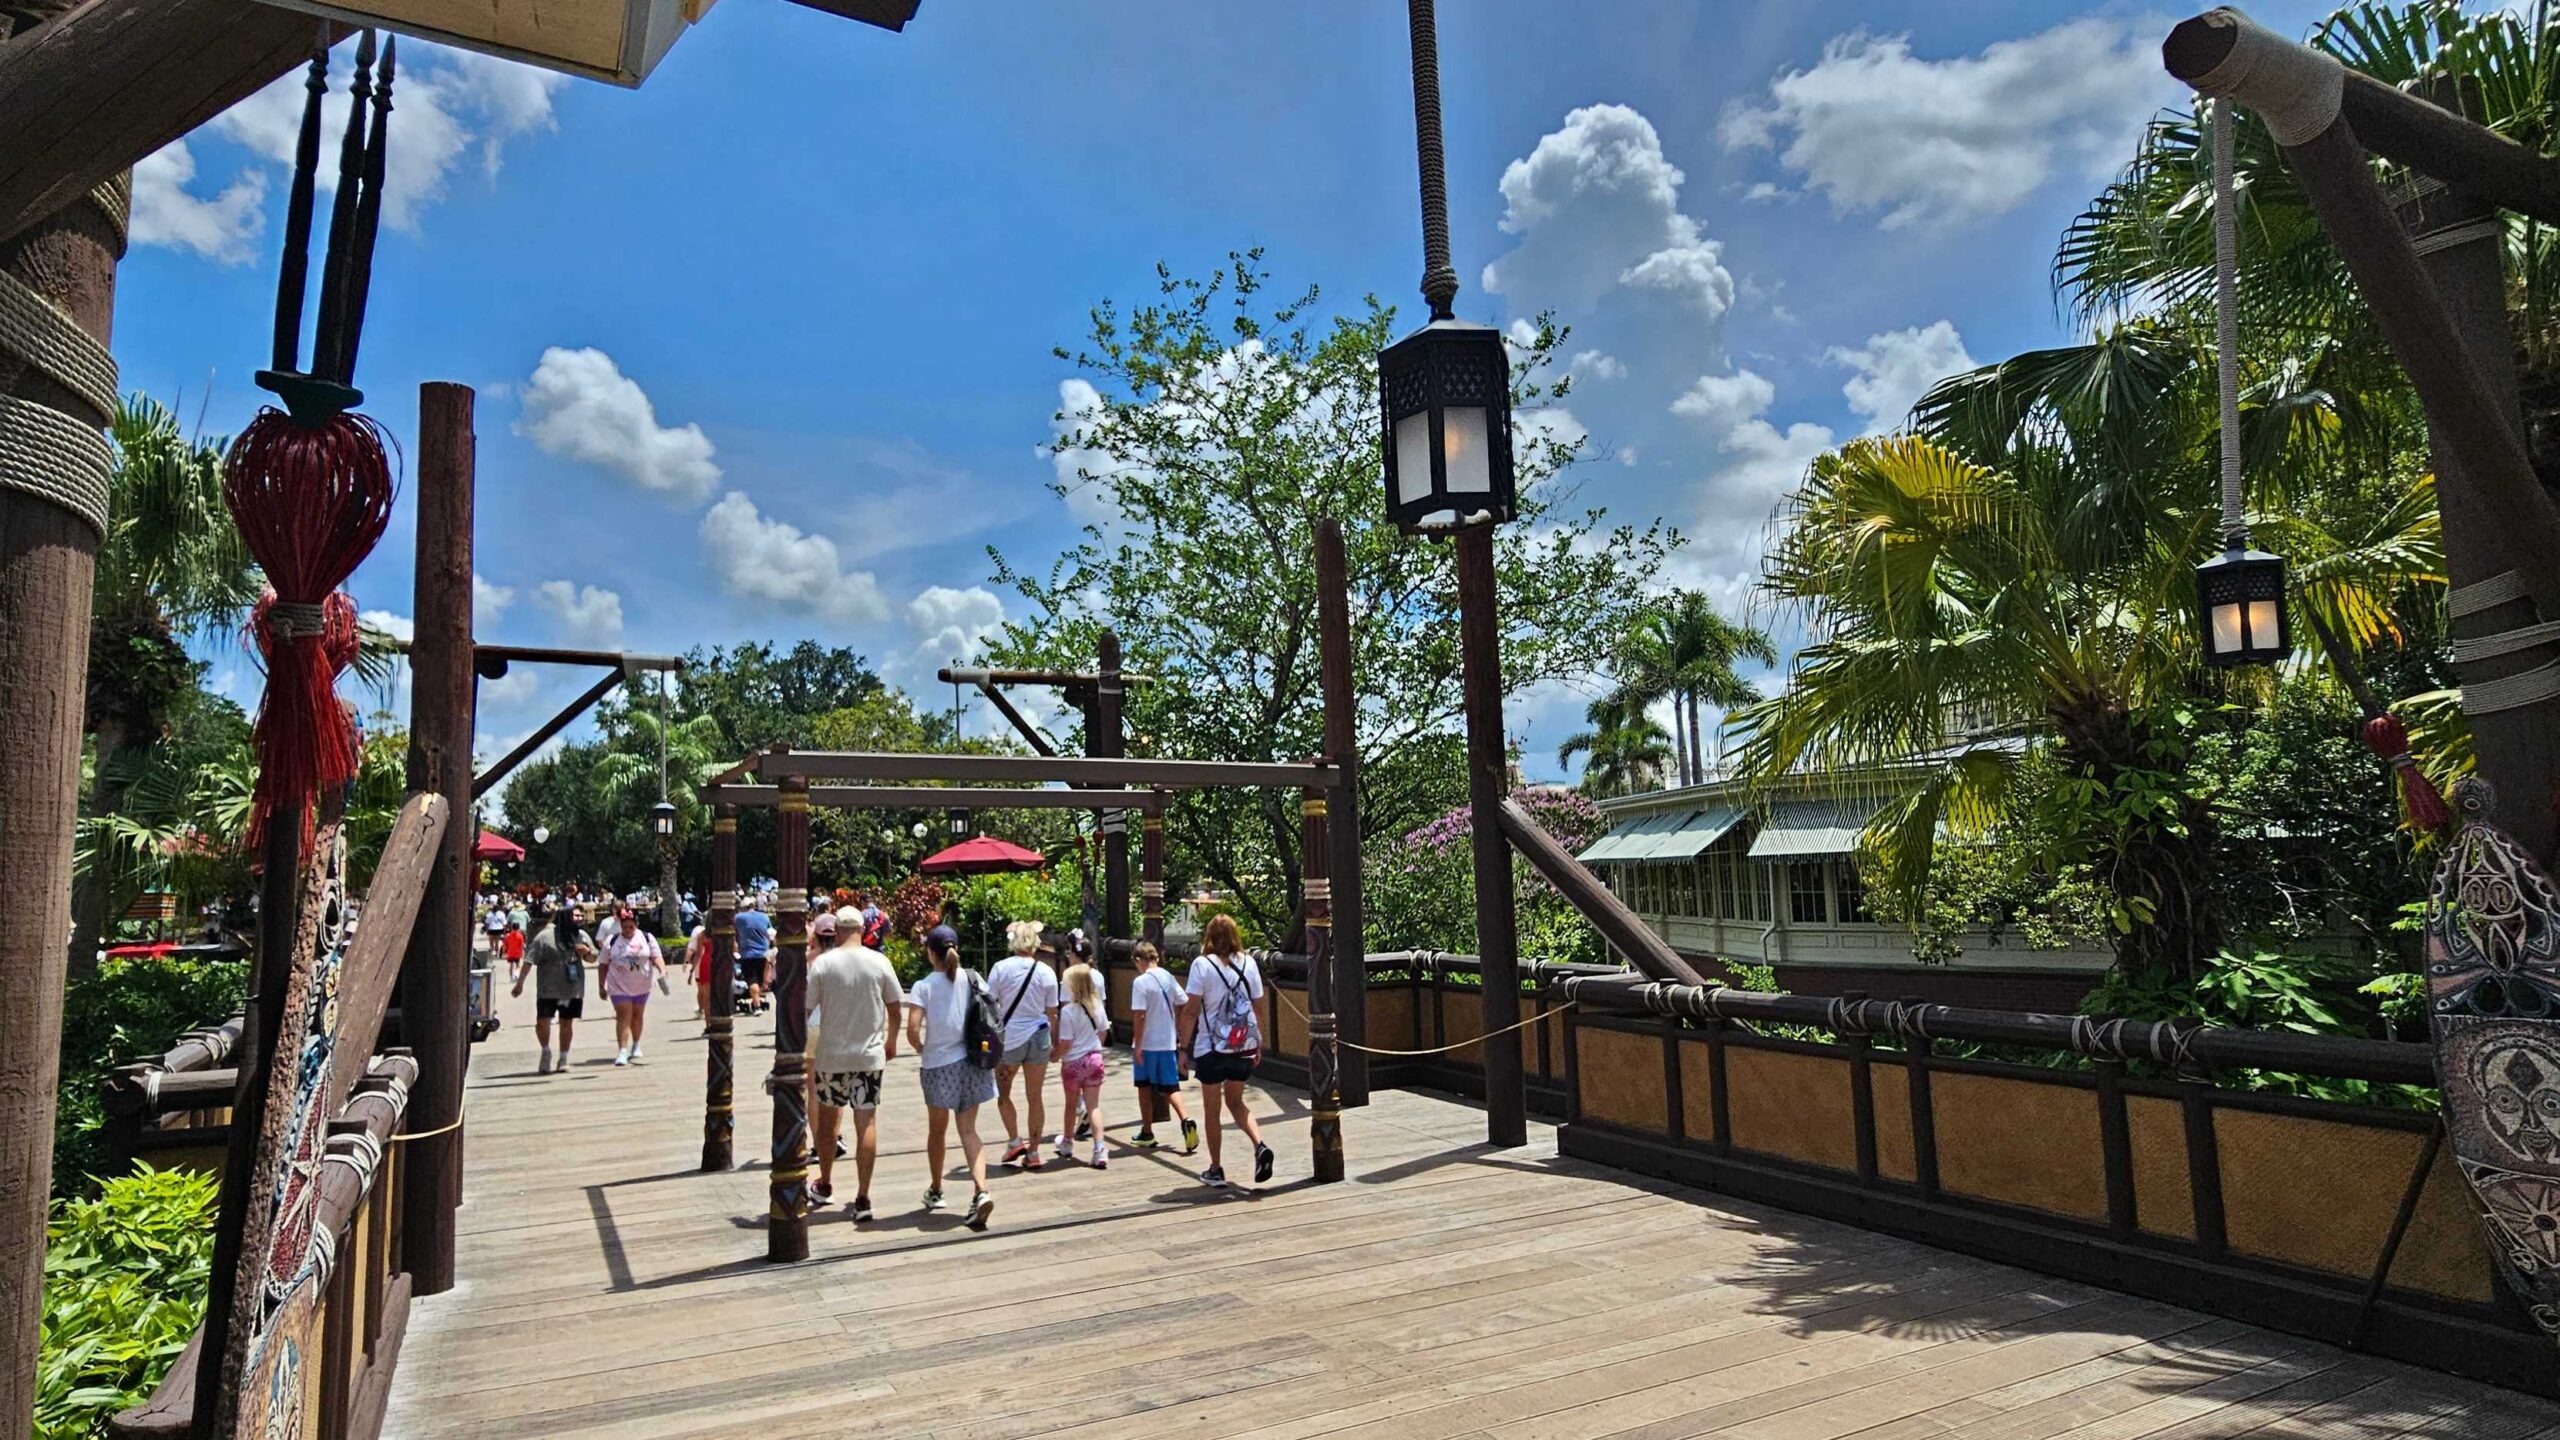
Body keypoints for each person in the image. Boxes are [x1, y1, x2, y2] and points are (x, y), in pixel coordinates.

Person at [808, 905, 904, 1219]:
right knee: (867, 1122)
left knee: (827, 1122)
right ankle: (863, 1196)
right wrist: (891, 1040)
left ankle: (825, 1182)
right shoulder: (879, 962)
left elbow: (806, 1009)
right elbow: (895, 1006)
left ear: (836, 931)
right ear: (862, 930)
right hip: (868, 1056)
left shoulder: (823, 964)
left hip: (832, 1056)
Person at [903, 925, 995, 1229]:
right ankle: (981, 1191)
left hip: (938, 1065)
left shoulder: (923, 986)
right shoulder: (973, 978)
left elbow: (912, 1031)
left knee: (937, 1131)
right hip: (972, 1061)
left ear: (931, 952)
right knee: (968, 1130)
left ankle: (936, 1189)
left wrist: (922, 1048)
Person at [1178, 914, 1274, 1189]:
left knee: (1212, 1110)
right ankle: (1260, 1144)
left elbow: (1191, 1010)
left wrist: (1182, 1048)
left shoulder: (1201, 965)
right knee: (1236, 1102)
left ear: (1209, 936)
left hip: (1212, 1049)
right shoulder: (1250, 963)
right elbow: (1258, 1006)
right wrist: (1257, 1041)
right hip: (1242, 1045)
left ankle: (1216, 1168)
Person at [987, 920, 1059, 1170]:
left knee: (1004, 1094)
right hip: (1039, 1036)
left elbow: (991, 1005)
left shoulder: (1000, 968)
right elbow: (1053, 1012)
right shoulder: (1046, 971)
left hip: (1009, 1038)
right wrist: (1056, 1044)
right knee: (1035, 1096)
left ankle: (1015, 1140)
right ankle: (1035, 1152)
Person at [1126, 941, 1197, 1153]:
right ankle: (1185, 1118)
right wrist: (1176, 1027)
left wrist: (1137, 1045)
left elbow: (1139, 1015)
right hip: (1167, 1042)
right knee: (1170, 1087)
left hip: (1147, 1043)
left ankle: (1147, 1131)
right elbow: (1183, 1001)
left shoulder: (1141, 982)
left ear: (1139, 960)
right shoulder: (1168, 977)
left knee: (1144, 1086)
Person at [515, 903, 595, 1074]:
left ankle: (563, 1058)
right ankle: (545, 1051)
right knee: (542, 1021)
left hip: (572, 989)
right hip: (547, 989)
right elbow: (529, 960)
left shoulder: (580, 936)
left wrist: (586, 952)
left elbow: (593, 958)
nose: (578, 920)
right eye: (575, 916)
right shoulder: (544, 936)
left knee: (567, 1022)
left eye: (580, 916)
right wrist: (520, 983)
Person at [1051, 959, 1111, 1168]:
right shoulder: (1098, 1007)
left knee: (1071, 1104)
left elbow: (1066, 1042)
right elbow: (1103, 1032)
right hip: (1094, 1059)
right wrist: (1095, 1048)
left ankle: (1067, 1142)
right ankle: (1099, 1148)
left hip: (1073, 1064)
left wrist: (1055, 1055)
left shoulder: (1068, 1012)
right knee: (1093, 1106)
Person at [599, 905, 664, 1066]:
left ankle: (636, 1044)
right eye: (624, 926)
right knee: (623, 1015)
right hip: (618, 985)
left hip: (642, 984)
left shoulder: (647, 938)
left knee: (637, 1014)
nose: (627, 930)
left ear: (636, 925)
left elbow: (656, 956)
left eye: (631, 926)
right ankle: (622, 1050)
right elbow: (603, 964)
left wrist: (662, 970)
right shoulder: (612, 940)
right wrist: (601, 985)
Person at [734, 896, 773, 1014]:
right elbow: (770, 933)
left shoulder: (739, 918)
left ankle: (756, 1006)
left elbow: (733, 933)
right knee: (760, 980)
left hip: (747, 954)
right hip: (763, 953)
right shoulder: (764, 917)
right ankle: (757, 1000)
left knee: (752, 980)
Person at [683, 915, 711, 1019]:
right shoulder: (700, 933)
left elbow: (693, 949)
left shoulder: (700, 933)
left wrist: (688, 964)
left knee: (702, 990)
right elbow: (693, 949)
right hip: (706, 964)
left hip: (703, 964)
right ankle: (702, 1010)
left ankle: (703, 1011)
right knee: (704, 991)